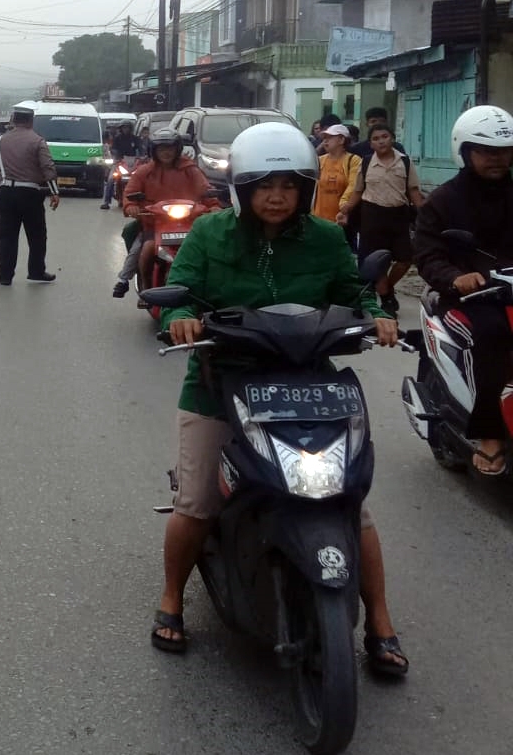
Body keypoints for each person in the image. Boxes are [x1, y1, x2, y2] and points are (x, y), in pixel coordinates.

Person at [152, 122, 408, 677]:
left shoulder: (325, 238)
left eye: (289, 186)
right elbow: (182, 291)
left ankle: (382, 623)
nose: (276, 196)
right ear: (243, 190)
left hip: (310, 387)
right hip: (221, 384)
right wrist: (180, 318)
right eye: (264, 185)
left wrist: (381, 314)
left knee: (351, 505)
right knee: (196, 502)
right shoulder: (208, 235)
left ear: (306, 190)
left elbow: (354, 291)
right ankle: (171, 599)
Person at [412, 105, 513, 475]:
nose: (497, 159)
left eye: (504, 151)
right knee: (493, 337)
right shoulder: (443, 201)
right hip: (472, 298)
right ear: (465, 151)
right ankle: (489, 434)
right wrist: (456, 276)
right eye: (487, 151)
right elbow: (427, 253)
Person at [112, 128, 218, 299]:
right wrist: (131, 205)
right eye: (161, 149)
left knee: (211, 249)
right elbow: (129, 193)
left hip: (190, 224)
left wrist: (213, 206)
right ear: (154, 151)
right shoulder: (144, 171)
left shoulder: (190, 170)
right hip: (154, 224)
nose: (166, 153)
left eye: (170, 148)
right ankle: (142, 288)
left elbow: (206, 190)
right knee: (145, 249)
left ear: (178, 149)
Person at [337, 123, 424, 316]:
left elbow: (414, 192)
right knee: (377, 261)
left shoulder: (406, 162)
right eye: (376, 139)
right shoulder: (366, 163)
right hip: (372, 216)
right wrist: (346, 210)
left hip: (398, 216)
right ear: (371, 144)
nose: (381, 141)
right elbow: (358, 191)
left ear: (392, 138)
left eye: (384, 136)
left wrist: (426, 214)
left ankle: (386, 288)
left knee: (405, 259)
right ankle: (387, 299)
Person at [0, 104, 60, 285]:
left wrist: (6, 173)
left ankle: (5, 276)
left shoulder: (0, 140)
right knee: (36, 235)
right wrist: (54, 192)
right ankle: (36, 271)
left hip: (5, 192)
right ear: (30, 121)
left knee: (6, 236)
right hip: (29, 193)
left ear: (13, 120)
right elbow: (47, 167)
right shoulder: (38, 141)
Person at [312, 124, 361, 224]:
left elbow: (354, 186)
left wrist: (344, 207)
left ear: (342, 140)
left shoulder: (353, 160)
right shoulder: (320, 161)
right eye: (324, 138)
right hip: (318, 219)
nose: (325, 141)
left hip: (341, 219)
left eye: (329, 137)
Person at [101, 121, 142, 210]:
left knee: (143, 178)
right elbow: (113, 149)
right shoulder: (117, 139)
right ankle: (106, 202)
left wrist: (143, 157)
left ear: (131, 129)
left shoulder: (136, 139)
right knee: (111, 179)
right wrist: (116, 156)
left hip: (133, 162)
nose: (126, 129)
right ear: (121, 129)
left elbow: (141, 149)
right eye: (124, 127)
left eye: (127, 127)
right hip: (119, 162)